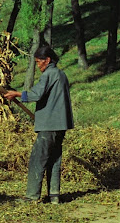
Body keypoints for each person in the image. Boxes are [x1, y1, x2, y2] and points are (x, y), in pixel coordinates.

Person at [4, 45, 74, 204]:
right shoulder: (61, 74)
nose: (37, 66)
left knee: (38, 158)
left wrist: (16, 94)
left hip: (49, 125)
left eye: (38, 62)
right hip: (60, 124)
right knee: (54, 159)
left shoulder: (48, 74)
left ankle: (31, 197)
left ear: (47, 60)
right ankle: (54, 196)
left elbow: (36, 94)